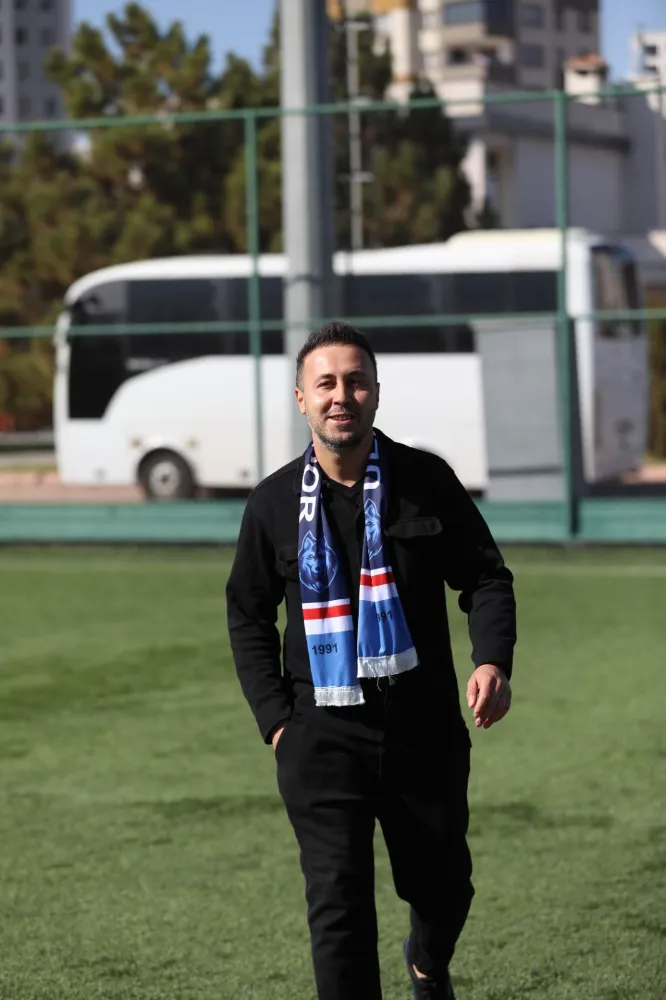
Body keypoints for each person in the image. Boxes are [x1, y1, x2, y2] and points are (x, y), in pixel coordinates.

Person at [226, 322, 517, 1000]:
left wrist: (492, 661)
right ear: (302, 398)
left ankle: (428, 960)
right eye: (326, 383)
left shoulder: (426, 481)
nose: (341, 396)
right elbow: (247, 613)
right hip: (321, 736)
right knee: (339, 909)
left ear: (376, 393)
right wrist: (278, 722)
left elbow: (485, 578)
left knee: (444, 887)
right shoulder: (271, 504)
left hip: (423, 729)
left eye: (355, 382)